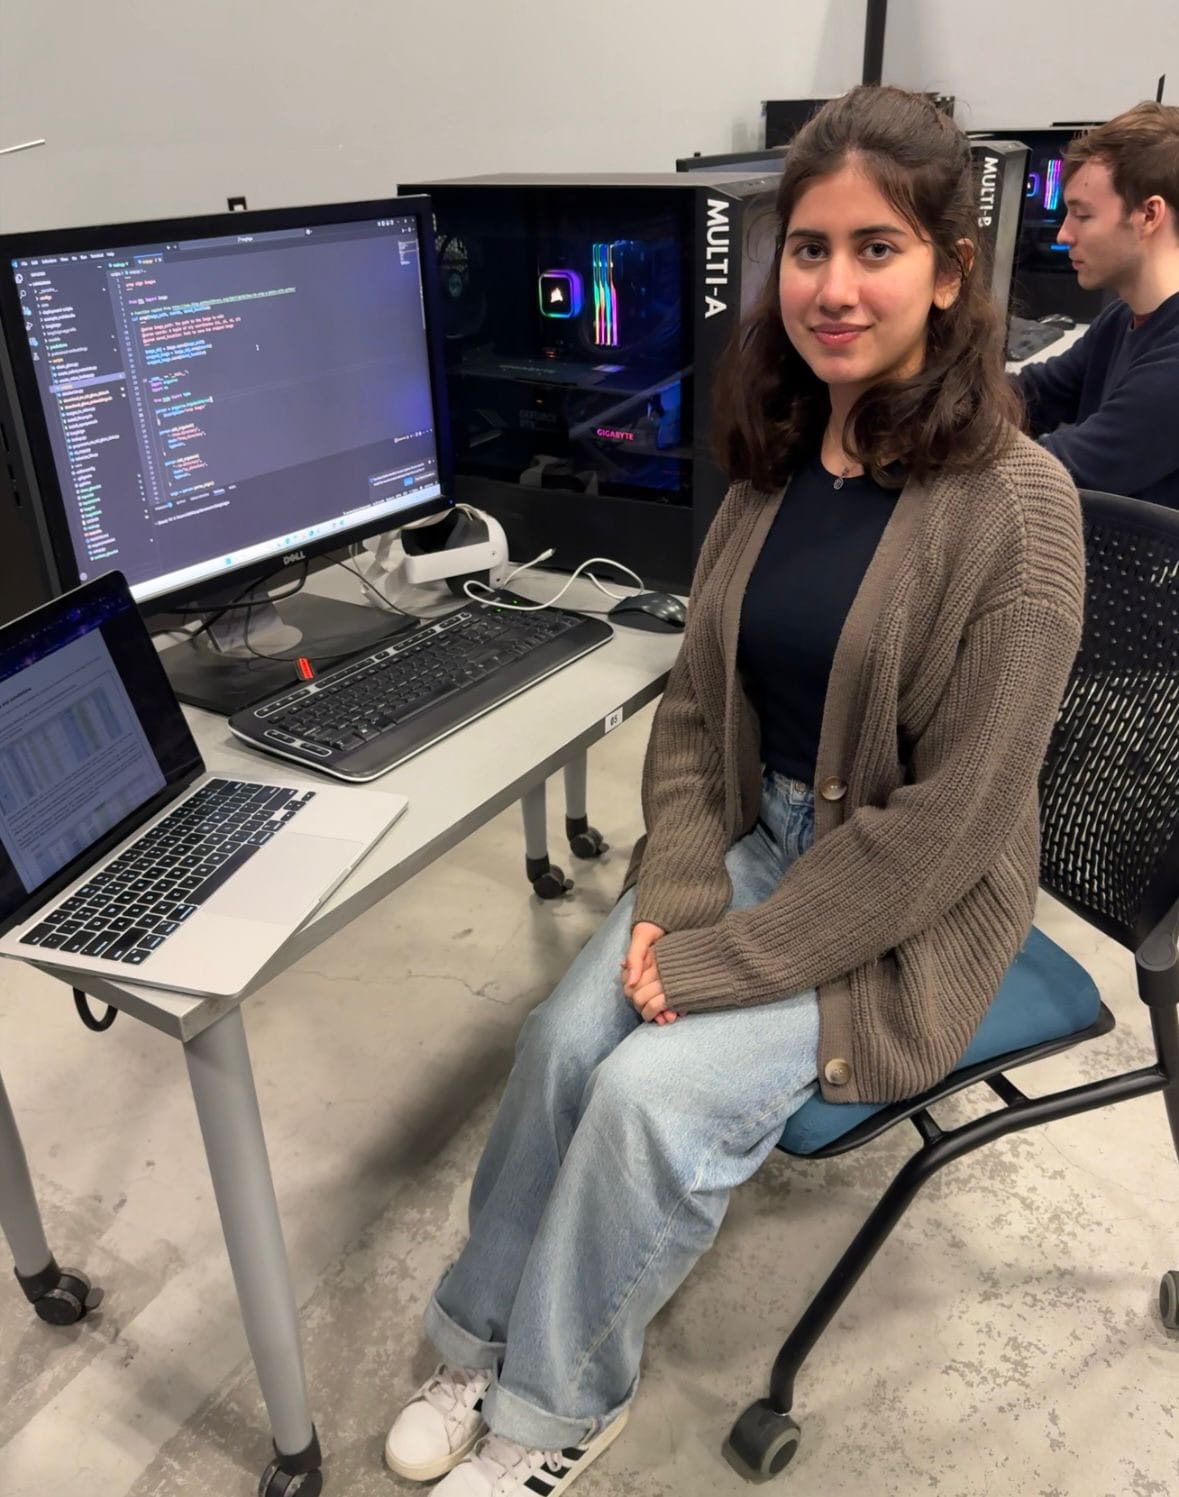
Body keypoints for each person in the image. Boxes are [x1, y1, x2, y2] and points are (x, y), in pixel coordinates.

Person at [383, 85, 1085, 1497]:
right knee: (556, 1046)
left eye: (874, 248)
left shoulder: (1016, 509)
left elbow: (945, 827)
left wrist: (722, 959)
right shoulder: (778, 457)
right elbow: (701, 707)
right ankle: (476, 1334)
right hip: (750, 846)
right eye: (808, 250)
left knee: (649, 1102)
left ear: (950, 273)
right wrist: (681, 893)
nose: (831, 287)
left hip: (898, 904)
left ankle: (555, 1407)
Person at [1014, 101, 1179, 506]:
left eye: (1082, 216)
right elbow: (1036, 393)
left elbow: (1057, 471)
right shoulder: (1122, 318)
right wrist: (939, 404)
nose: (1065, 234)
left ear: (1148, 215)